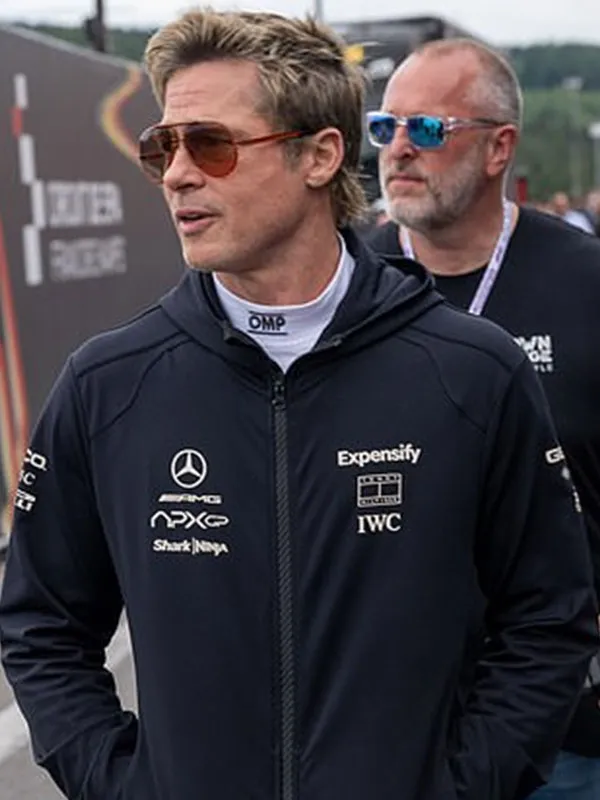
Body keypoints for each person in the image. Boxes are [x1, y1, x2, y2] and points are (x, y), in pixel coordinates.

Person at [0, 11, 597, 800]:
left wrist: (465, 785)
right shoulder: (108, 384)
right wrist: (121, 783)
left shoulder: (474, 372)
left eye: (210, 144)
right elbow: (41, 626)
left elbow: (549, 618)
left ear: (320, 155)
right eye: (162, 147)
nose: (177, 174)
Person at [366, 37, 600, 799]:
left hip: (566, 735)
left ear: (500, 147)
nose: (399, 148)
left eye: (429, 128)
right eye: (385, 126)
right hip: (386, 726)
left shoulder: (584, 282)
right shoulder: (342, 284)